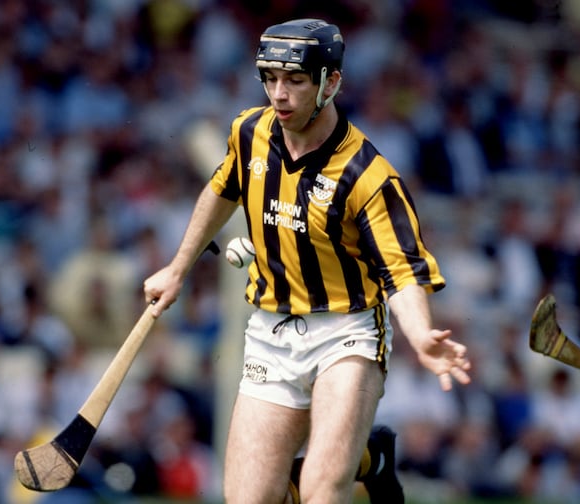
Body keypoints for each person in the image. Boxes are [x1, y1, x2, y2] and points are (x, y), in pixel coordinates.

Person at [143, 18, 471, 504]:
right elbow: (221, 190)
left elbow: (402, 272)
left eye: (295, 80)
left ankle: (348, 464)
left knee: (321, 488)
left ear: (331, 82)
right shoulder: (250, 132)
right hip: (270, 334)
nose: (279, 93)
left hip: (347, 333)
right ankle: (370, 459)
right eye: (270, 78)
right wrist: (177, 267)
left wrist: (421, 335)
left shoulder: (368, 176)